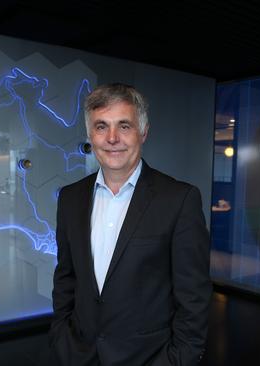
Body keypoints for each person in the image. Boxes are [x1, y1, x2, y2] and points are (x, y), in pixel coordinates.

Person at [48, 83, 211, 366]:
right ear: (90, 135)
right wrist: (62, 336)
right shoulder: (70, 198)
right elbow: (66, 277)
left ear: (143, 132)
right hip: (80, 355)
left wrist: (179, 360)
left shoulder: (179, 199)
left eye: (124, 126)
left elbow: (193, 298)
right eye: (101, 126)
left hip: (149, 358)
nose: (112, 138)